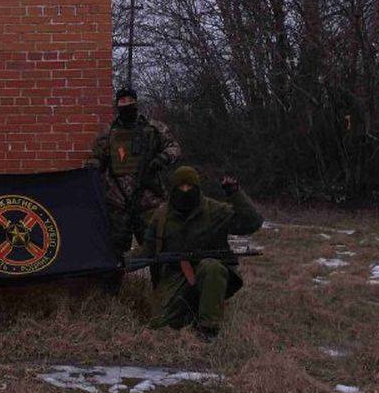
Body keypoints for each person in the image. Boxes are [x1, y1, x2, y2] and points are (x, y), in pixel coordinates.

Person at [136, 165, 263, 341]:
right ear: (173, 189)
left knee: (211, 267)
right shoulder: (161, 216)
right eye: (181, 187)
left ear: (198, 188)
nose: (185, 191)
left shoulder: (215, 211)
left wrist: (234, 192)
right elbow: (147, 249)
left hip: (209, 273)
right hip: (175, 275)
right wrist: (122, 260)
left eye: (190, 187)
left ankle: (208, 328)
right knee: (160, 323)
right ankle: (192, 311)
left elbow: (252, 222)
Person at [90, 88, 182, 259]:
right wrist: (92, 168)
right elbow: (96, 159)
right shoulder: (108, 133)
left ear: (136, 103)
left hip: (149, 200)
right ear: (117, 105)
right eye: (122, 102)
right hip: (117, 203)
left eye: (129, 102)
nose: (126, 106)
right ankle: (116, 285)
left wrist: (162, 158)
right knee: (115, 253)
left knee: (157, 248)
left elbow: (175, 148)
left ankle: (162, 285)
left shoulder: (154, 128)